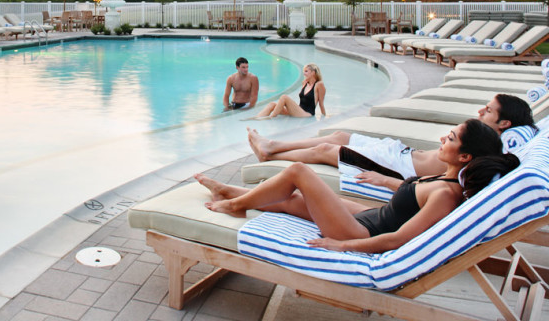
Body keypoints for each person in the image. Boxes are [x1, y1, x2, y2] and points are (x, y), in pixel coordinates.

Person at [197, 119, 518, 252]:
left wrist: (341, 246)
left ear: (464, 155)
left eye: (449, 139)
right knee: (296, 199)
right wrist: (387, 180)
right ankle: (230, 192)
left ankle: (235, 206)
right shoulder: (448, 178)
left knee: (298, 172)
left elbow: (398, 240)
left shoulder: (447, 195)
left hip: (361, 234)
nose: (441, 139)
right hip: (374, 217)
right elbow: (410, 197)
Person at [247, 94, 535, 191]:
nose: (480, 111)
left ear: (505, 124)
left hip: (397, 166)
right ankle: (272, 145)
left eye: (489, 111)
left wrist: (386, 181)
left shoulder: (484, 153)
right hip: (401, 152)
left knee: (326, 150)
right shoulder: (484, 139)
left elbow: (443, 183)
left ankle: (270, 155)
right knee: (337, 136)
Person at [250, 63, 326, 119]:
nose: (304, 73)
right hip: (298, 111)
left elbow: (321, 104)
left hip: (307, 114)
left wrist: (325, 117)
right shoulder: (305, 83)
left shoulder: (319, 84)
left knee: (284, 97)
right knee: (272, 104)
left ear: (313, 73)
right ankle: (256, 118)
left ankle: (271, 117)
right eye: (304, 71)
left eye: (306, 71)